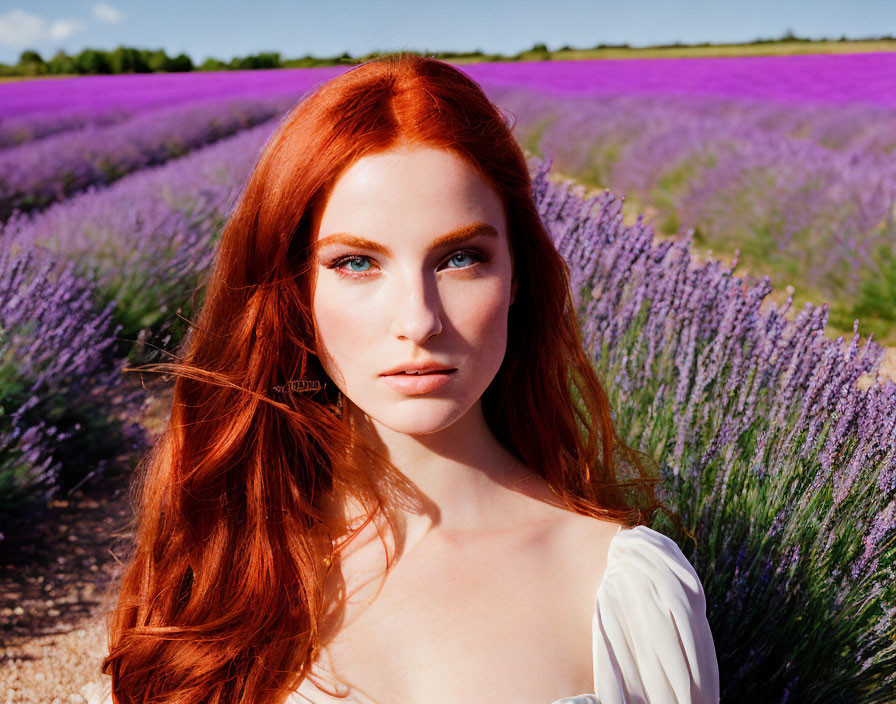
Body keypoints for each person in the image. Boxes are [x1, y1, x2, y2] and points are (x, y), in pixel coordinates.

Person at [80, 53, 720, 704]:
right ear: (295, 292)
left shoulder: (618, 588)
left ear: (517, 277)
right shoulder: (224, 564)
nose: (418, 320)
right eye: (357, 262)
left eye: (460, 258)